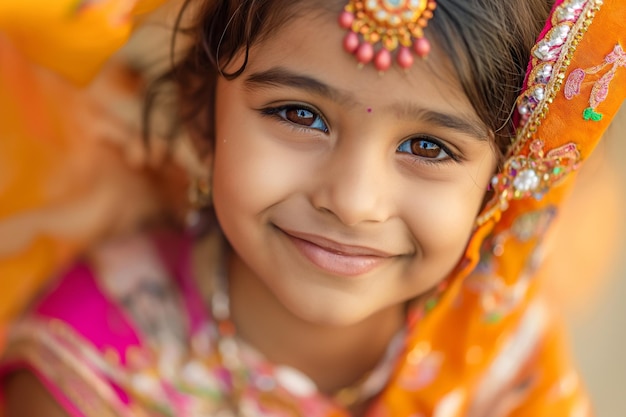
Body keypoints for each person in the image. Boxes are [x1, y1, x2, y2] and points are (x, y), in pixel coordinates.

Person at [0, 0, 625, 416]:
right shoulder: (83, 375)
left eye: (428, 147)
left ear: (499, 187)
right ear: (200, 111)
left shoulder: (498, 358)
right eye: (300, 115)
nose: (353, 202)